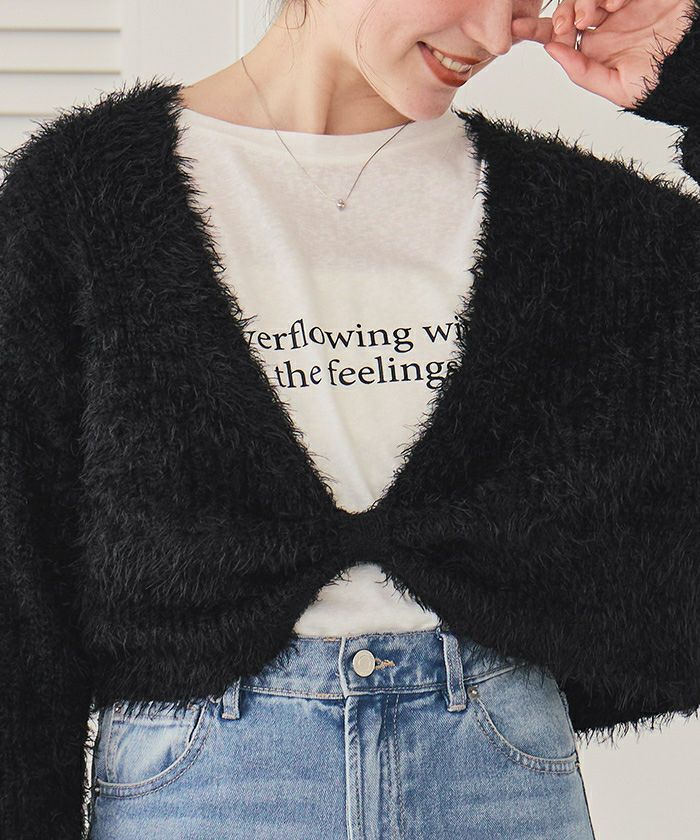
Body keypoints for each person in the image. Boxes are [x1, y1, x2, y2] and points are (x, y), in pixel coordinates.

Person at [2, 1, 699, 838]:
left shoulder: (583, 224)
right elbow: (17, 570)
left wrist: (689, 75)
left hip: (496, 775)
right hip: (201, 784)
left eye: (523, 0)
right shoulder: (87, 194)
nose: (493, 35)